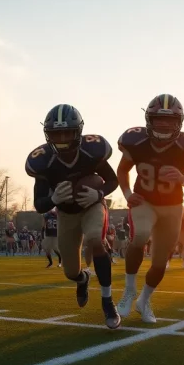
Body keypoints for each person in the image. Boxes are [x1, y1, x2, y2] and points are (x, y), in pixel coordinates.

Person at [25, 104, 121, 329]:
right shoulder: (44, 161)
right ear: (48, 135)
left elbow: (112, 180)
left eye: (67, 132)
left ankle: (108, 301)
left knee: (95, 239)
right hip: (66, 215)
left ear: (78, 131)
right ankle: (83, 279)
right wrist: (54, 199)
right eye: (57, 134)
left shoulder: (91, 151)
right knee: (70, 272)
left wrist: (98, 193)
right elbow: (40, 205)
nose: (63, 139)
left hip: (91, 206)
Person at [116, 94, 184, 323]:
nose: (164, 125)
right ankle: (129, 291)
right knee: (141, 234)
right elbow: (122, 171)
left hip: (172, 206)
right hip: (144, 201)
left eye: (169, 120)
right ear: (149, 119)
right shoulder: (135, 142)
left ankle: (144, 300)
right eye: (159, 119)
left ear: (179, 122)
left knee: (160, 263)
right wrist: (128, 194)